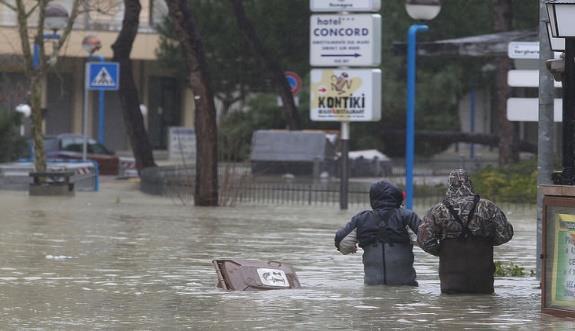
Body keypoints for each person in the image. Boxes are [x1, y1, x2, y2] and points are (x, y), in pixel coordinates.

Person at [417, 169, 514, 294]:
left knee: (451, 309)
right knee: (484, 310)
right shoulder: (488, 207)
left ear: (450, 184)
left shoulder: (437, 210)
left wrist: (442, 251)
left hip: (450, 279)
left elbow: (424, 240)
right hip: (482, 278)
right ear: (469, 182)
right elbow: (505, 234)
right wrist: (487, 243)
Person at [334, 180, 422, 286]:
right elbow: (427, 241)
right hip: (404, 289)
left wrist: (349, 247)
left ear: (373, 199)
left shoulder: (361, 219)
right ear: (397, 198)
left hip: (372, 289)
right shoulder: (406, 217)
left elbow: (341, 241)